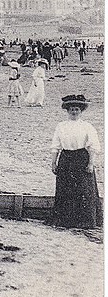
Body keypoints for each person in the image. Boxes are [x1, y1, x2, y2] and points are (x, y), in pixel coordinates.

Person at [50, 94, 102, 229]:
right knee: (65, 189)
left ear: (81, 111)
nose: (74, 112)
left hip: (81, 159)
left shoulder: (87, 126)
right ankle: (65, 221)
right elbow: (56, 146)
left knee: (84, 190)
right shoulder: (61, 126)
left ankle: (85, 221)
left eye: (77, 109)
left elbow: (93, 147)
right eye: (72, 109)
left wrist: (91, 163)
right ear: (67, 110)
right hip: (66, 159)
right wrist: (53, 162)